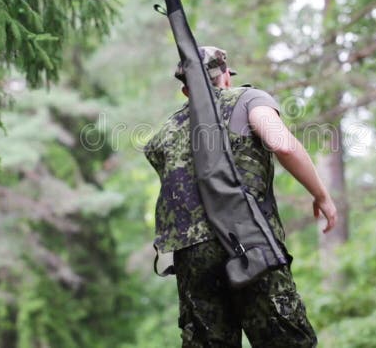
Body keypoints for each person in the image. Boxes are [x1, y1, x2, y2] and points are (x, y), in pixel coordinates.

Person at [143, 46, 338, 347]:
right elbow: (281, 144)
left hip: (192, 257)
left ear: (186, 90)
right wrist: (320, 194)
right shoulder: (247, 99)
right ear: (225, 77)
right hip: (246, 243)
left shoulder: (164, 133)